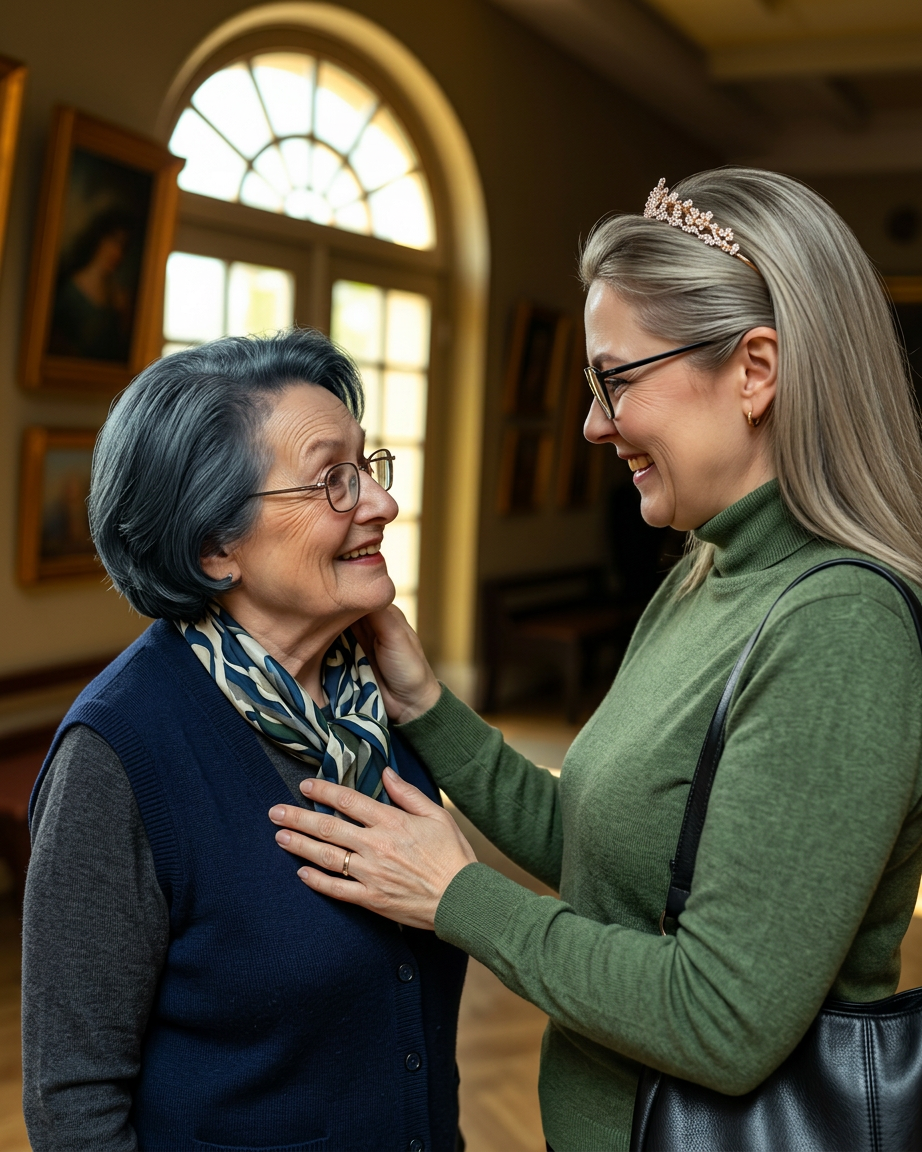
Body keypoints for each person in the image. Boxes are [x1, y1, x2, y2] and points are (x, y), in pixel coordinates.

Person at [268, 168, 922, 1152]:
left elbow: (723, 1020)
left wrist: (457, 898)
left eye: (615, 380)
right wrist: (424, 701)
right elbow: (603, 843)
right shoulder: (706, 565)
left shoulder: (840, 630)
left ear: (754, 369)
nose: (591, 425)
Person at [21, 331, 467, 1152]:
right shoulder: (118, 754)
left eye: (367, 467)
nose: (379, 502)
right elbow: (73, 1103)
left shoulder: (378, 706)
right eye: (333, 478)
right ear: (214, 547)